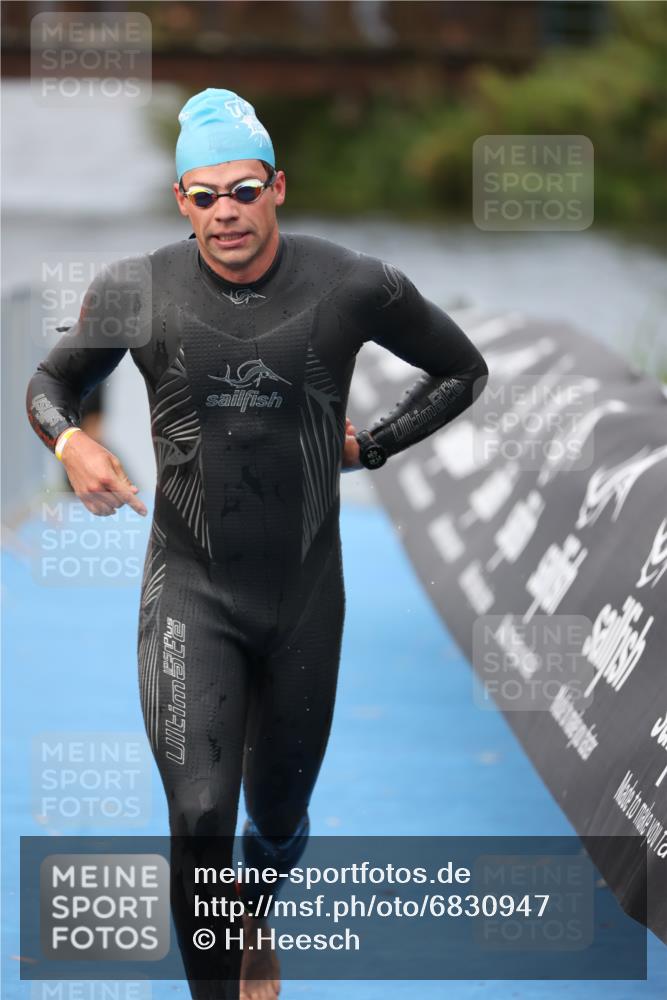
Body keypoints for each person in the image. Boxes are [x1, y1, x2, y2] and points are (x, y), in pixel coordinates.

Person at [26, 88, 489, 1000]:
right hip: (189, 589)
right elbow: (50, 380)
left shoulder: (352, 283)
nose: (225, 212)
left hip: (305, 596)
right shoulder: (138, 290)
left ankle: (258, 903)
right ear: (181, 203)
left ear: (277, 186)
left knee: (273, 818)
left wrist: (375, 443)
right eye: (204, 196)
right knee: (200, 815)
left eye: (242, 189)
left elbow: (461, 369)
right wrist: (73, 440)